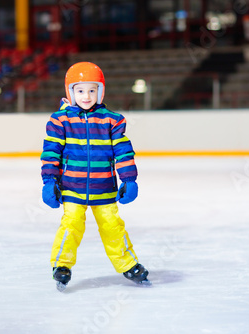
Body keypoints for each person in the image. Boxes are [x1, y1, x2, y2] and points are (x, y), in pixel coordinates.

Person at [40, 62, 150, 291]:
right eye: (80, 90)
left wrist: (129, 179)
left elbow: (123, 151)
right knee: (71, 224)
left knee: (113, 226)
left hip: (104, 187)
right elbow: (51, 152)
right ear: (70, 92)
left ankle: (128, 264)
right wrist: (49, 181)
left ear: (100, 91)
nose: (86, 96)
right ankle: (61, 265)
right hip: (72, 185)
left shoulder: (112, 120)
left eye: (92, 90)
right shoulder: (60, 121)